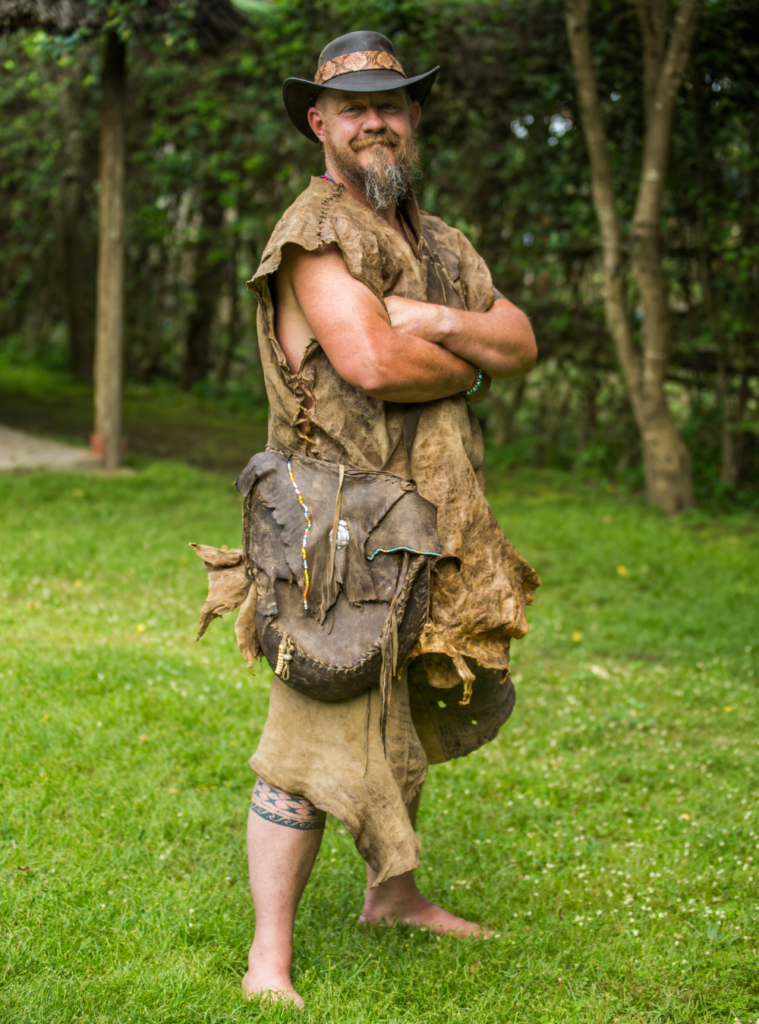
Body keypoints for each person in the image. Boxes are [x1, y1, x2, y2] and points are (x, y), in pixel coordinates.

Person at [193, 29, 539, 1008]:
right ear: (321, 122)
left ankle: (394, 896)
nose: (376, 119)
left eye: (392, 102)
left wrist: (442, 321)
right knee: (309, 739)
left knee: (402, 713)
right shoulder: (313, 234)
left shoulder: (439, 243)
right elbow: (373, 363)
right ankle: (268, 960)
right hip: (331, 533)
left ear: (412, 116)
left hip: (423, 523)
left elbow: (524, 336)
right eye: (355, 106)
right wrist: (468, 363)